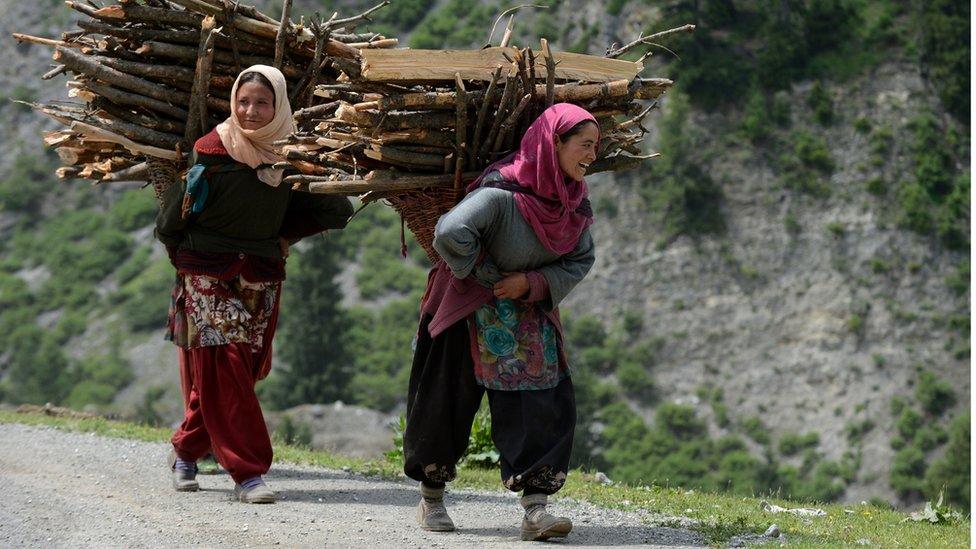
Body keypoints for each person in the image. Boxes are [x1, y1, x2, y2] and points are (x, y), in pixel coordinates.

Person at [155, 65, 354, 503]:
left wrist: (284, 234)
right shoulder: (211, 150)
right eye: (243, 101)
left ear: (279, 106)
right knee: (225, 362)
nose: (250, 111)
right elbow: (173, 214)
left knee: (240, 368)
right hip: (207, 269)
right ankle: (248, 474)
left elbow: (337, 209)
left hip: (260, 271)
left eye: (262, 103)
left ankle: (186, 448)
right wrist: (182, 258)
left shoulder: (288, 155)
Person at [403, 103, 598, 541]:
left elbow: (582, 258)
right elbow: (449, 232)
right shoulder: (500, 194)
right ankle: (431, 498)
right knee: (446, 401)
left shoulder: (574, 204)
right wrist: (490, 276)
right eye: (583, 145)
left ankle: (536, 511)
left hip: (527, 314)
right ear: (554, 144)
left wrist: (530, 283)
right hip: (466, 308)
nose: (591, 155)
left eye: (596, 147)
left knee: (540, 406)